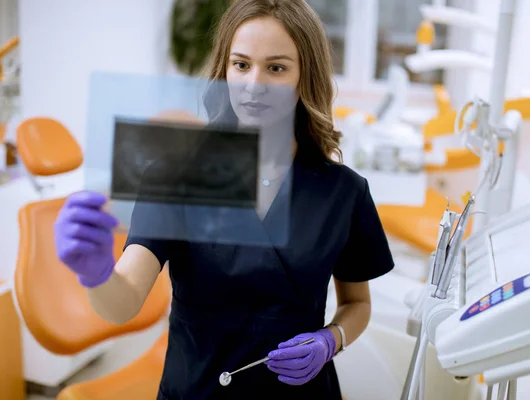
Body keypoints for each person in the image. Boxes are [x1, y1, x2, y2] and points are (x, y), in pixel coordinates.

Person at [53, 0, 395, 398]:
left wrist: (330, 340)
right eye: (242, 65)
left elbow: (358, 304)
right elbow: (123, 301)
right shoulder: (176, 175)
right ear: (225, 71)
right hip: (198, 389)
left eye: (276, 68)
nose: (253, 86)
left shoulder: (343, 191)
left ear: (306, 77)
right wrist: (96, 274)